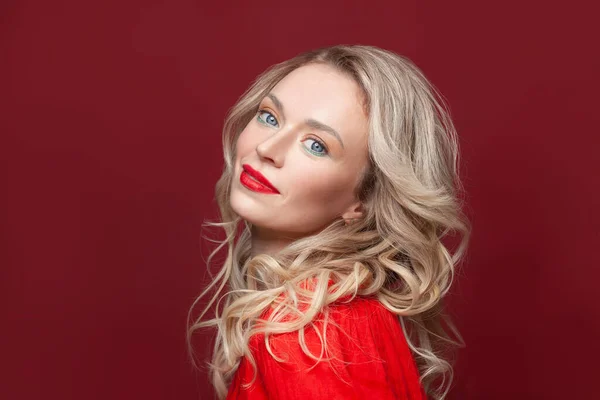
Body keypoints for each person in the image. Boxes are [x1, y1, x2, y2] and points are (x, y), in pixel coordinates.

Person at [186, 44, 471, 400]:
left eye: (316, 145)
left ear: (363, 202)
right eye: (270, 116)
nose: (268, 148)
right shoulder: (351, 315)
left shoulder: (302, 335)